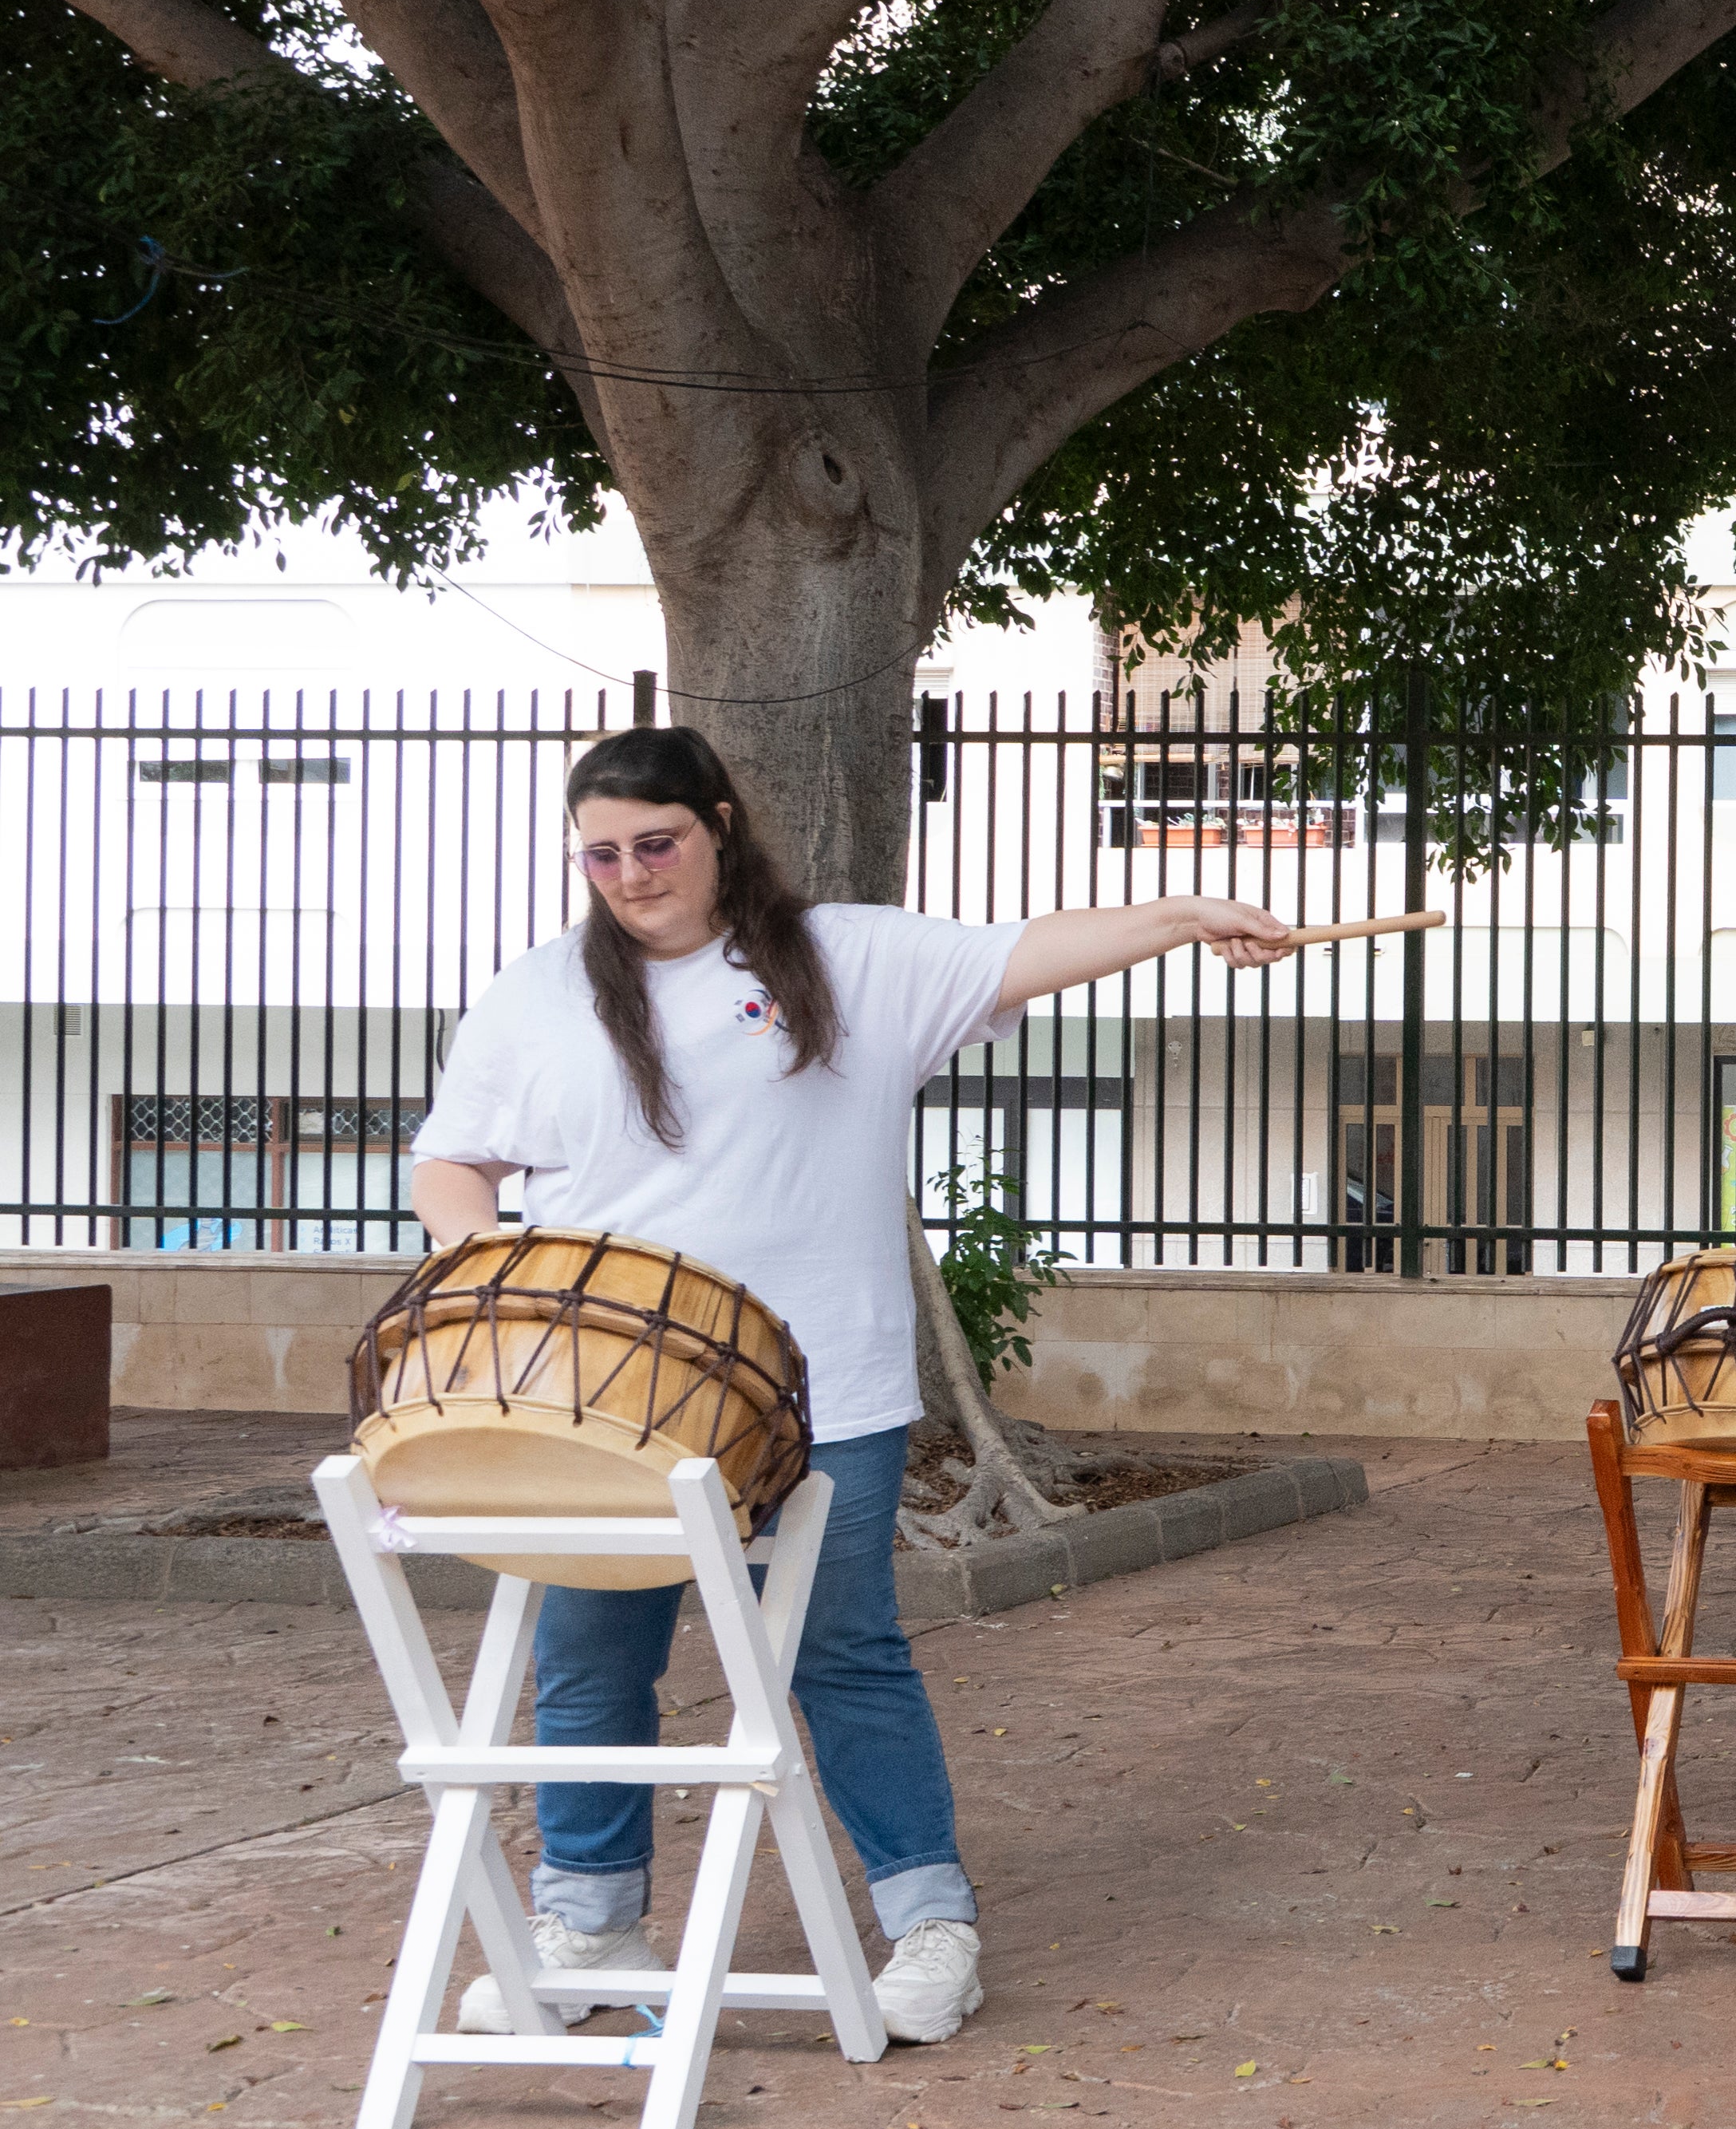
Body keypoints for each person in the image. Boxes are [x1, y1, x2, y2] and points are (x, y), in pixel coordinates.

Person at [409, 725, 1293, 2045]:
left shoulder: (845, 958)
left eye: (658, 843)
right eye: (603, 854)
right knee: (588, 1655)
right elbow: (454, 1159)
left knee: (840, 1650)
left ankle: (931, 1921)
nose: (633, 874)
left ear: (718, 823)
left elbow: (1029, 945)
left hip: (823, 1388)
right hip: (598, 1392)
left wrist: (1181, 912)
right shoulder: (536, 991)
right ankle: (588, 1920)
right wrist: (478, 1263)